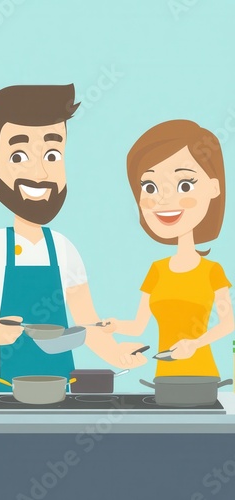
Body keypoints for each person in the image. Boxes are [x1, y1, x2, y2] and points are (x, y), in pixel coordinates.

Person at [0, 85, 146, 391]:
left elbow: (86, 325)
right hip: (7, 391)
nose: (40, 171)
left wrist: (117, 354)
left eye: (53, 154)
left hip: (63, 391)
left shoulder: (64, 248)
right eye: (18, 155)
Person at [104, 120, 234, 377]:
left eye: (184, 184)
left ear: (213, 187)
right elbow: (139, 326)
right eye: (150, 187)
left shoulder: (212, 271)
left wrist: (194, 344)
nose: (163, 199)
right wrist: (114, 326)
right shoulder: (157, 270)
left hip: (202, 377)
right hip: (163, 377)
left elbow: (228, 322)